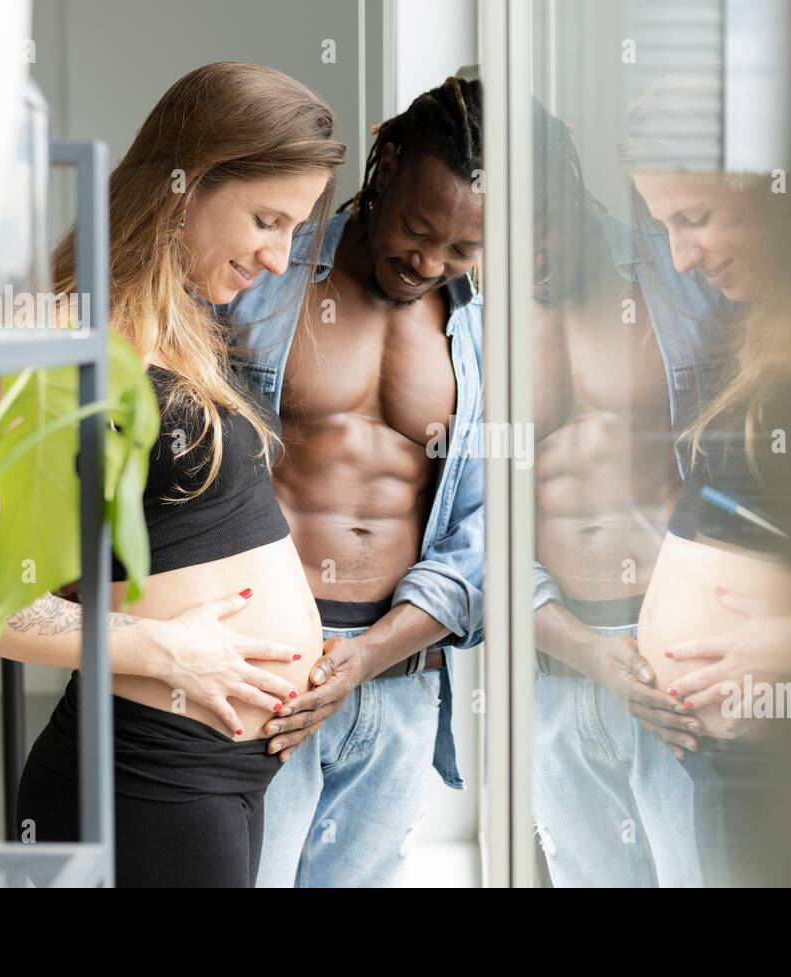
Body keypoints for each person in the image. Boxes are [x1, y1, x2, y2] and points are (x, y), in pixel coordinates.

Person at [0, 62, 346, 887]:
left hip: (221, 778)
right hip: (145, 778)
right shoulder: (62, 333)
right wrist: (171, 651)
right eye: (267, 220)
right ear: (187, 182)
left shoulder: (189, 334)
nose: (278, 258)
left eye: (295, 230)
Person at [224, 77, 486, 888]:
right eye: (416, 228)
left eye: (463, 250)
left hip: (401, 682)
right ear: (389, 162)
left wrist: (369, 654)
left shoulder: (486, 325)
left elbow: (490, 527)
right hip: (267, 668)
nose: (429, 261)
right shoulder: (266, 271)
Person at [623, 73, 791, 886]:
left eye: (692, 219)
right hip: (725, 763)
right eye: (662, 227)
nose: (681, 257)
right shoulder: (757, 335)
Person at [526, 99, 716, 887]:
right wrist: (581, 649)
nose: (525, 249)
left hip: (680, 663)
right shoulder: (461, 312)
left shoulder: (677, 274)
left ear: (569, 182)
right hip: (555, 670)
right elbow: (473, 525)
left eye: (540, 219)